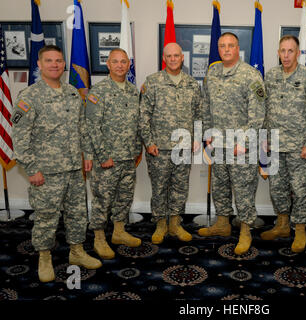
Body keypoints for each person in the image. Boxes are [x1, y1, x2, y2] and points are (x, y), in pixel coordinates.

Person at [11, 45, 101, 283]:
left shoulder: (72, 92)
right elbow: (19, 137)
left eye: (59, 61)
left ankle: (77, 251)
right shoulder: (29, 97)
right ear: (39, 65)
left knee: (77, 213)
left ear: (63, 64)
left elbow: (82, 127)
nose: (55, 64)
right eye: (49, 61)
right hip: (46, 172)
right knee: (46, 217)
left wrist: (87, 155)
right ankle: (44, 257)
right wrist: (32, 169)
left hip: (73, 168)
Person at [197, 32, 266, 255]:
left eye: (231, 46)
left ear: (238, 48)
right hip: (218, 144)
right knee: (220, 187)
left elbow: (257, 116)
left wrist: (244, 143)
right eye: (222, 46)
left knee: (244, 189)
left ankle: (246, 230)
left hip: (240, 148)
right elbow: (206, 106)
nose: (226, 50)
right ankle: (222, 224)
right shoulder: (213, 72)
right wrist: (207, 134)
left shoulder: (250, 75)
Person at [260, 35, 306, 253]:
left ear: (298, 53)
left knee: (301, 191)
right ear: (278, 53)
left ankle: (300, 229)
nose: (286, 55)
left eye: (290, 51)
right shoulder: (270, 76)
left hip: (301, 148)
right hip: (276, 146)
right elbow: (265, 110)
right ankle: (282, 225)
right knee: (277, 189)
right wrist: (265, 140)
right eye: (282, 51)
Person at [139, 42, 202, 244]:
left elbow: (199, 114)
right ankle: (160, 224)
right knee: (159, 187)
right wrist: (148, 142)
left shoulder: (192, 84)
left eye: (177, 55)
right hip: (159, 148)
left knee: (180, 186)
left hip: (183, 147)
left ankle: (175, 223)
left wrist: (197, 138)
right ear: (164, 58)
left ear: (182, 57)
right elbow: (143, 115)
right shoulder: (153, 82)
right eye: (169, 56)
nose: (173, 59)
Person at [85, 48, 142, 260]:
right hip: (106, 159)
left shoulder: (133, 91)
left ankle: (119, 232)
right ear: (107, 65)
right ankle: (99, 237)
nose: (120, 65)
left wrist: (136, 150)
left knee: (124, 197)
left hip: (128, 157)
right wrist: (102, 156)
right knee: (103, 199)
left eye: (124, 62)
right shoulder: (98, 92)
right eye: (115, 62)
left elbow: (137, 124)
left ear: (129, 65)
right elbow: (92, 126)